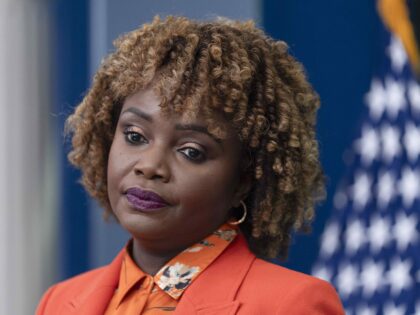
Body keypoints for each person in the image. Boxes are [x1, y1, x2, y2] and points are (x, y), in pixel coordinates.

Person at [36, 16, 345, 314]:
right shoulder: (60, 301)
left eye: (191, 152)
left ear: (242, 181)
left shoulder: (291, 305)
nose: (150, 166)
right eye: (134, 136)